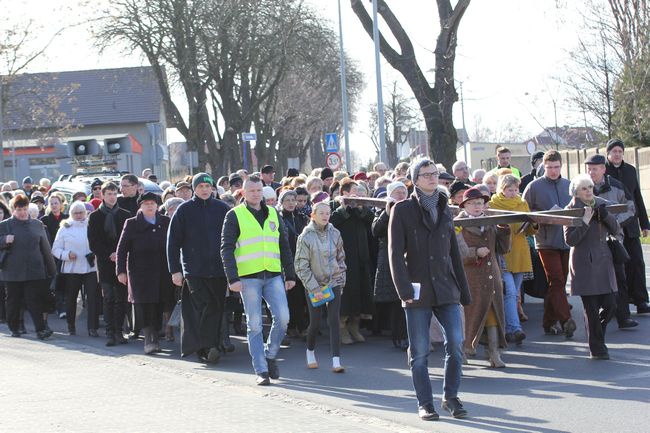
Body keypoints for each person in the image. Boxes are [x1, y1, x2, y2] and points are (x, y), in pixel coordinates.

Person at [389, 158, 471, 420]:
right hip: (417, 290)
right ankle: (425, 403)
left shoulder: (446, 207)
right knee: (420, 351)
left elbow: (453, 254)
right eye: (426, 175)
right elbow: (394, 254)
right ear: (414, 179)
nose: (432, 178)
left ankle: (451, 397)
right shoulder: (402, 210)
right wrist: (404, 290)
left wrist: (463, 289)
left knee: (456, 345)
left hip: (446, 288)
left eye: (435, 173)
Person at [221, 175, 297, 386]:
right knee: (254, 325)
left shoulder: (273, 213)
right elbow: (226, 248)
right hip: (248, 278)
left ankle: (270, 355)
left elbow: (284, 245)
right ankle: (261, 369)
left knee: (283, 318)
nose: (255, 194)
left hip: (273, 275)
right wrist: (232, 278)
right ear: (243, 192)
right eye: (251, 190)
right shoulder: (234, 215)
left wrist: (289, 275)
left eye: (258, 190)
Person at [167, 172, 231, 363]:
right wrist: (175, 270)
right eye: (200, 186)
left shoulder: (222, 209)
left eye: (207, 186)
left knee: (217, 307)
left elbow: (232, 239)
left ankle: (210, 345)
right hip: (194, 270)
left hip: (219, 269)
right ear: (194, 188)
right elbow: (173, 242)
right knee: (204, 306)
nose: (204, 190)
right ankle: (207, 346)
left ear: (212, 188)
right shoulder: (184, 210)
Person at [564, 174, 619, 360]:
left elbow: (616, 229)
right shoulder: (570, 209)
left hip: (604, 261)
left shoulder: (601, 203)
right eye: (584, 188)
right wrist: (585, 222)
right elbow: (570, 240)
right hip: (584, 264)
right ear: (576, 193)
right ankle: (597, 348)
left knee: (611, 304)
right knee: (592, 309)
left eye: (590, 187)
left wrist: (605, 215)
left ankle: (597, 335)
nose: (588, 191)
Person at [523, 150, 577, 338]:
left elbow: (577, 209)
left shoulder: (569, 185)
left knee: (558, 284)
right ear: (543, 167)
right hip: (545, 242)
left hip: (566, 240)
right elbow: (525, 213)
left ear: (561, 166)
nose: (553, 171)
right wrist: (542, 217)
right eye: (549, 168)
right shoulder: (533, 186)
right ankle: (565, 319)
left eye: (556, 167)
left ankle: (548, 322)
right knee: (557, 280)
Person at [456, 187, 510, 368]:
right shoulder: (458, 224)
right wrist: (474, 253)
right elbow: (456, 252)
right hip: (470, 278)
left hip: (491, 275)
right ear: (464, 205)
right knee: (469, 315)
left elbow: (502, 249)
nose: (476, 206)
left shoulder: (491, 221)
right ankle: (463, 350)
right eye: (471, 203)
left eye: (479, 203)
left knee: (493, 314)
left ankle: (494, 353)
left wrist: (504, 230)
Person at [584, 154, 638, 328]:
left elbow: (630, 208)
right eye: (589, 169)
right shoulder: (582, 188)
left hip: (613, 240)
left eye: (595, 168)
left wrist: (613, 223)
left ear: (603, 169)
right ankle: (600, 316)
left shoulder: (617, 186)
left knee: (619, 278)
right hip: (591, 243)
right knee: (596, 280)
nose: (591, 172)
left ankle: (624, 317)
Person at [116, 192, 172, 354]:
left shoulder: (165, 222)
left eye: (152, 203)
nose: (149, 206)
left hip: (162, 271)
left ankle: (155, 334)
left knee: (159, 303)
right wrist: (120, 271)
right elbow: (121, 249)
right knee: (144, 305)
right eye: (146, 203)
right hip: (140, 273)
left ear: (157, 205)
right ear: (140, 206)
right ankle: (149, 337)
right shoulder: (132, 223)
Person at [295, 200, 347, 372]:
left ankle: (336, 361)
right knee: (315, 322)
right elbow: (301, 266)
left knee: (334, 319)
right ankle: (310, 352)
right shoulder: (306, 237)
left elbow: (341, 258)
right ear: (313, 215)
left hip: (334, 282)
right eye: (321, 213)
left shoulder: (336, 233)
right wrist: (314, 288)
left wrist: (341, 279)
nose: (325, 216)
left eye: (327, 213)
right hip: (314, 285)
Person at [0, 194, 57, 339]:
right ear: (13, 209)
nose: (23, 212)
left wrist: (53, 271)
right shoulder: (5, 225)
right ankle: (14, 327)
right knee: (13, 300)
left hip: (34, 270)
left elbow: (45, 248)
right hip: (12, 271)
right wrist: (4, 240)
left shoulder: (37, 225)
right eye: (19, 209)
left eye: (25, 209)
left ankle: (40, 329)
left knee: (34, 300)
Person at [489, 175, 537, 344]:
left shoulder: (522, 203)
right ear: (502, 189)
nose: (514, 193)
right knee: (509, 291)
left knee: (514, 293)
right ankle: (514, 328)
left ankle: (508, 327)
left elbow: (530, 230)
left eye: (516, 189)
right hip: (503, 253)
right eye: (510, 189)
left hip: (520, 251)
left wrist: (533, 224)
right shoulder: (493, 204)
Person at [604, 139, 650, 314]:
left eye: (620, 151)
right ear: (608, 153)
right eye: (614, 151)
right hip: (611, 226)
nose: (617, 154)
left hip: (630, 224)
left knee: (637, 262)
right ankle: (617, 305)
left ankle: (640, 300)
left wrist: (645, 223)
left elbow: (637, 197)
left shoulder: (630, 170)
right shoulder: (603, 171)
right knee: (617, 267)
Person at [330, 178, 374, 345]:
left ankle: (355, 325)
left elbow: (371, 221)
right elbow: (332, 222)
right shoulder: (336, 206)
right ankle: (341, 327)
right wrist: (344, 208)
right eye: (354, 191)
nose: (358, 194)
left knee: (361, 292)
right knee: (346, 294)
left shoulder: (362, 207)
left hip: (361, 256)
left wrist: (362, 208)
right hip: (343, 258)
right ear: (345, 192)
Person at [88, 181, 132, 346]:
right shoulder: (95, 216)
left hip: (121, 262)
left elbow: (128, 238)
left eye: (114, 194)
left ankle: (119, 331)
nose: (112, 197)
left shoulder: (125, 214)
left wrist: (119, 254)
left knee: (121, 298)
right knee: (109, 298)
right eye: (109, 194)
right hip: (105, 262)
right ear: (103, 196)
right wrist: (109, 254)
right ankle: (109, 332)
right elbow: (93, 241)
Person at [51, 201, 100, 336]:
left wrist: (96, 253)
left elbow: (98, 243)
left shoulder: (92, 226)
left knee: (92, 298)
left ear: (86, 213)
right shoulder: (65, 228)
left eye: (81, 212)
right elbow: (55, 249)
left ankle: (93, 327)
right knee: (71, 298)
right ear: (71, 214)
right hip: (72, 269)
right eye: (75, 213)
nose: (79, 215)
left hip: (90, 268)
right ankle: (71, 325)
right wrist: (67, 255)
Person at [372, 181, 409, 350]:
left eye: (403, 191)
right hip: (390, 257)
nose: (401, 195)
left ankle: (410, 334)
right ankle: (399, 336)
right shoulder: (382, 210)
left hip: (410, 256)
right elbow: (376, 231)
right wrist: (387, 213)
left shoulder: (411, 208)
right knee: (396, 300)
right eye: (397, 192)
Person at [278, 190, 309, 338]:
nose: (291, 203)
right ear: (281, 202)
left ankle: (303, 326)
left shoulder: (302, 217)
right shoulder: (279, 217)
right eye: (287, 200)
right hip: (286, 260)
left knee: (302, 296)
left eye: (293, 200)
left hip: (302, 260)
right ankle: (293, 326)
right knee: (291, 296)